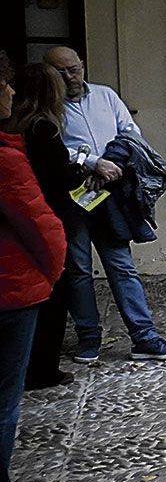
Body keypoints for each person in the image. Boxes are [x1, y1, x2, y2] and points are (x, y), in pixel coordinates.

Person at [51, 46, 166, 363]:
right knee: (78, 269)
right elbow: (51, 149)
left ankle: (144, 337)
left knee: (122, 267)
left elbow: (130, 133)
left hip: (109, 192)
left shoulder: (105, 95)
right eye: (60, 72)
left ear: (83, 65)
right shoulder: (49, 105)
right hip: (71, 195)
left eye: (73, 69)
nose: (69, 77)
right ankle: (89, 338)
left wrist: (110, 163)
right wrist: (93, 162)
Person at [0, 53, 66, 482]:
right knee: (5, 400)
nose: (10, 91)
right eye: (3, 84)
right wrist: (53, 272)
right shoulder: (6, 155)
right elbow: (40, 224)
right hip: (11, 286)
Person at [2, 64, 80, 389]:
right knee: (53, 297)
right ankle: (42, 369)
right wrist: (80, 168)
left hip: (20, 234)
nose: (10, 91)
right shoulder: (43, 128)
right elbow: (51, 189)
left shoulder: (14, 126)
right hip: (46, 218)